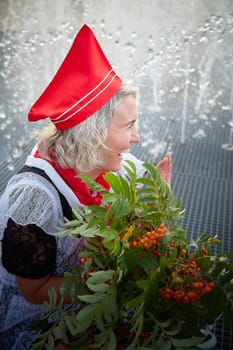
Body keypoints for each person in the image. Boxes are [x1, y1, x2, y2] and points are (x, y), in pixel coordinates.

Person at [0, 24, 172, 349]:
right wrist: (112, 286)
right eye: (130, 126)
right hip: (41, 313)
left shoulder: (112, 165)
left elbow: (134, 228)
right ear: (93, 136)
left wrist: (155, 205)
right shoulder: (34, 202)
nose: (137, 137)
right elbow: (33, 291)